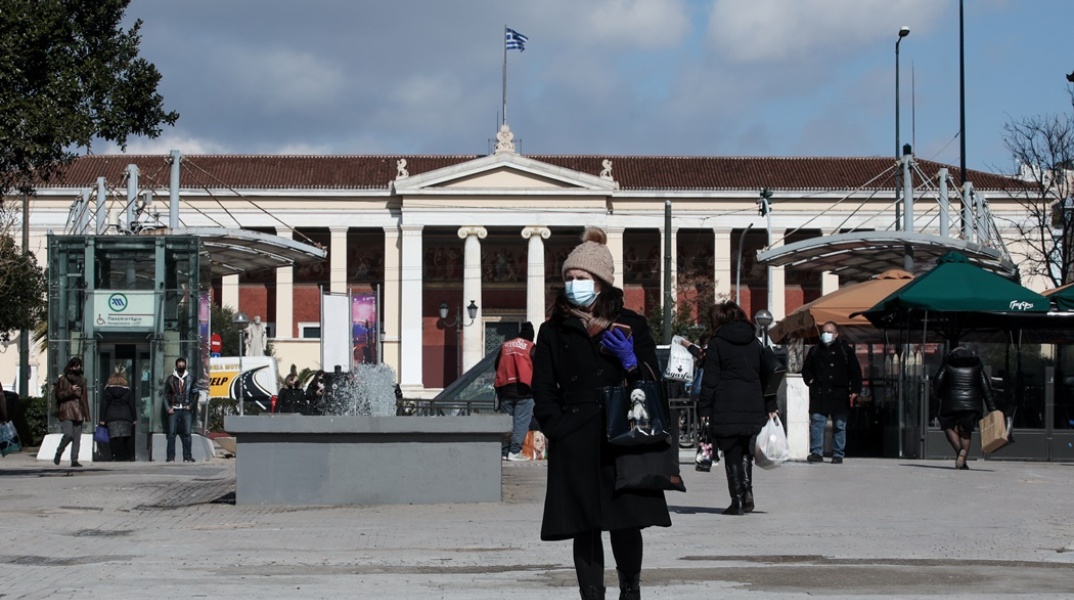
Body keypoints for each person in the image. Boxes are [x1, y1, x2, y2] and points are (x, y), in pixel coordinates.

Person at [531, 227, 669, 600]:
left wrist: (631, 362)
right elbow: (543, 386)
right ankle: (591, 595)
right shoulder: (553, 329)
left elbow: (653, 381)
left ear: (601, 282)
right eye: (570, 278)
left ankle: (630, 589)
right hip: (574, 434)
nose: (574, 284)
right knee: (584, 525)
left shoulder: (632, 324)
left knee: (626, 520)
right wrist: (556, 426)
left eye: (582, 277)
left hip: (621, 433)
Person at [698, 301, 778, 516]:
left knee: (732, 452)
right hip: (753, 401)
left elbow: (710, 380)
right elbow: (766, 375)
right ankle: (747, 493)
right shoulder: (754, 342)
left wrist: (704, 408)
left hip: (726, 402)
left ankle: (737, 500)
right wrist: (770, 404)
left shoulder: (717, 343)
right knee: (745, 451)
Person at [802, 321, 863, 464]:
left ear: (836, 334)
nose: (826, 335)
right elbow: (806, 369)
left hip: (839, 394)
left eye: (829, 332)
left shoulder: (845, 350)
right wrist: (810, 380)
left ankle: (838, 453)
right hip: (819, 394)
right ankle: (816, 452)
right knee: (817, 423)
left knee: (839, 425)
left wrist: (855, 390)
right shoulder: (815, 350)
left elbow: (855, 372)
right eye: (824, 332)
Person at [933, 346, 996, 470]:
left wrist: (939, 395)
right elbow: (985, 387)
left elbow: (937, 381)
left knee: (947, 426)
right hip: (971, 405)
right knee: (965, 432)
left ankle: (960, 451)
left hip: (951, 403)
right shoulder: (977, 366)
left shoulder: (947, 364)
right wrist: (992, 407)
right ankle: (963, 461)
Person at [494, 321, 536, 462]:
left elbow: (496, 365)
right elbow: (539, 368)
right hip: (524, 392)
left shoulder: (505, 346)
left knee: (507, 423)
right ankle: (514, 451)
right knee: (521, 423)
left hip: (505, 390)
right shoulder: (530, 347)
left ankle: (504, 451)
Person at [53, 357, 90, 467]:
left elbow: (84, 398)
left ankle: (74, 460)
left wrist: (87, 414)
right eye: (74, 366)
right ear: (70, 367)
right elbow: (59, 395)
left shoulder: (82, 380)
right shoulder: (63, 379)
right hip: (66, 410)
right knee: (69, 434)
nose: (77, 368)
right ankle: (59, 452)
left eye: (78, 365)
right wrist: (70, 390)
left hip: (79, 410)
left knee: (77, 438)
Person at [99, 368, 137, 461]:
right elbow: (132, 405)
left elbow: (104, 405)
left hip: (111, 416)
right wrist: (134, 418)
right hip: (126, 416)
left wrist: (102, 418)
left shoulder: (107, 391)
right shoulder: (128, 391)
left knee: (113, 437)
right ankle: (129, 456)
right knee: (127, 436)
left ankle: (114, 455)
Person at [163, 357, 195, 463]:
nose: (181, 365)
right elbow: (165, 394)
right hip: (174, 409)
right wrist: (168, 408)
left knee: (187, 433)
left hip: (186, 409)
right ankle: (170, 457)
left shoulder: (190, 378)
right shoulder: (171, 379)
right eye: (179, 363)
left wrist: (191, 405)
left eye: (183, 363)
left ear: (185, 365)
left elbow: (195, 393)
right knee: (171, 434)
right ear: (176, 365)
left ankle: (187, 457)